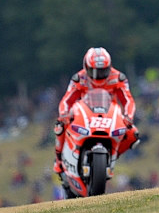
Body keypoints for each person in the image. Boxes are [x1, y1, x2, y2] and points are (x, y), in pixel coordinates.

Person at [53, 47, 140, 176]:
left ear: (109, 67)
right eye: (93, 71)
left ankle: (112, 154)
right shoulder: (79, 78)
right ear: (86, 67)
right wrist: (64, 115)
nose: (98, 76)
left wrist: (128, 117)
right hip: (84, 115)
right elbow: (67, 100)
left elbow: (128, 100)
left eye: (102, 71)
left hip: (110, 116)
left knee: (133, 134)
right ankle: (59, 159)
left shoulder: (118, 78)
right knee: (60, 126)